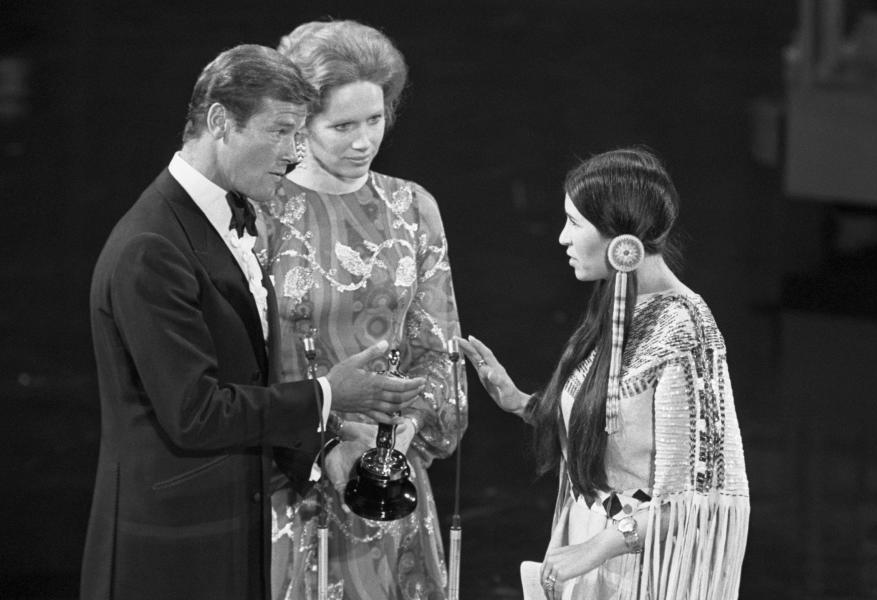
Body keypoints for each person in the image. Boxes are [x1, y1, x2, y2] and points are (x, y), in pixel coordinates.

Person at [81, 44, 424, 600]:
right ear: (220, 122)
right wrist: (328, 394)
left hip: (228, 530)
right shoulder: (152, 245)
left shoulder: (223, 221)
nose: (294, 153)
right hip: (169, 547)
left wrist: (322, 449)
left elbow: (247, 382)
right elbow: (194, 412)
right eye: (282, 132)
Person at [457, 148, 750, 599]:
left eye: (574, 223)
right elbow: (611, 428)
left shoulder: (685, 329)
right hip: (592, 551)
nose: (561, 238)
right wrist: (520, 401)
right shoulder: (615, 306)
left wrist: (596, 548)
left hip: (638, 567)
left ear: (620, 238)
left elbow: (697, 498)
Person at [252, 20, 466, 600]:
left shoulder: (412, 206)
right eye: (342, 125)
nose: (362, 141)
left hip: (390, 479)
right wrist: (330, 440)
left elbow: (438, 345)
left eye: (375, 120)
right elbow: (253, 361)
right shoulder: (265, 209)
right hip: (296, 482)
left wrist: (400, 438)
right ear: (301, 122)